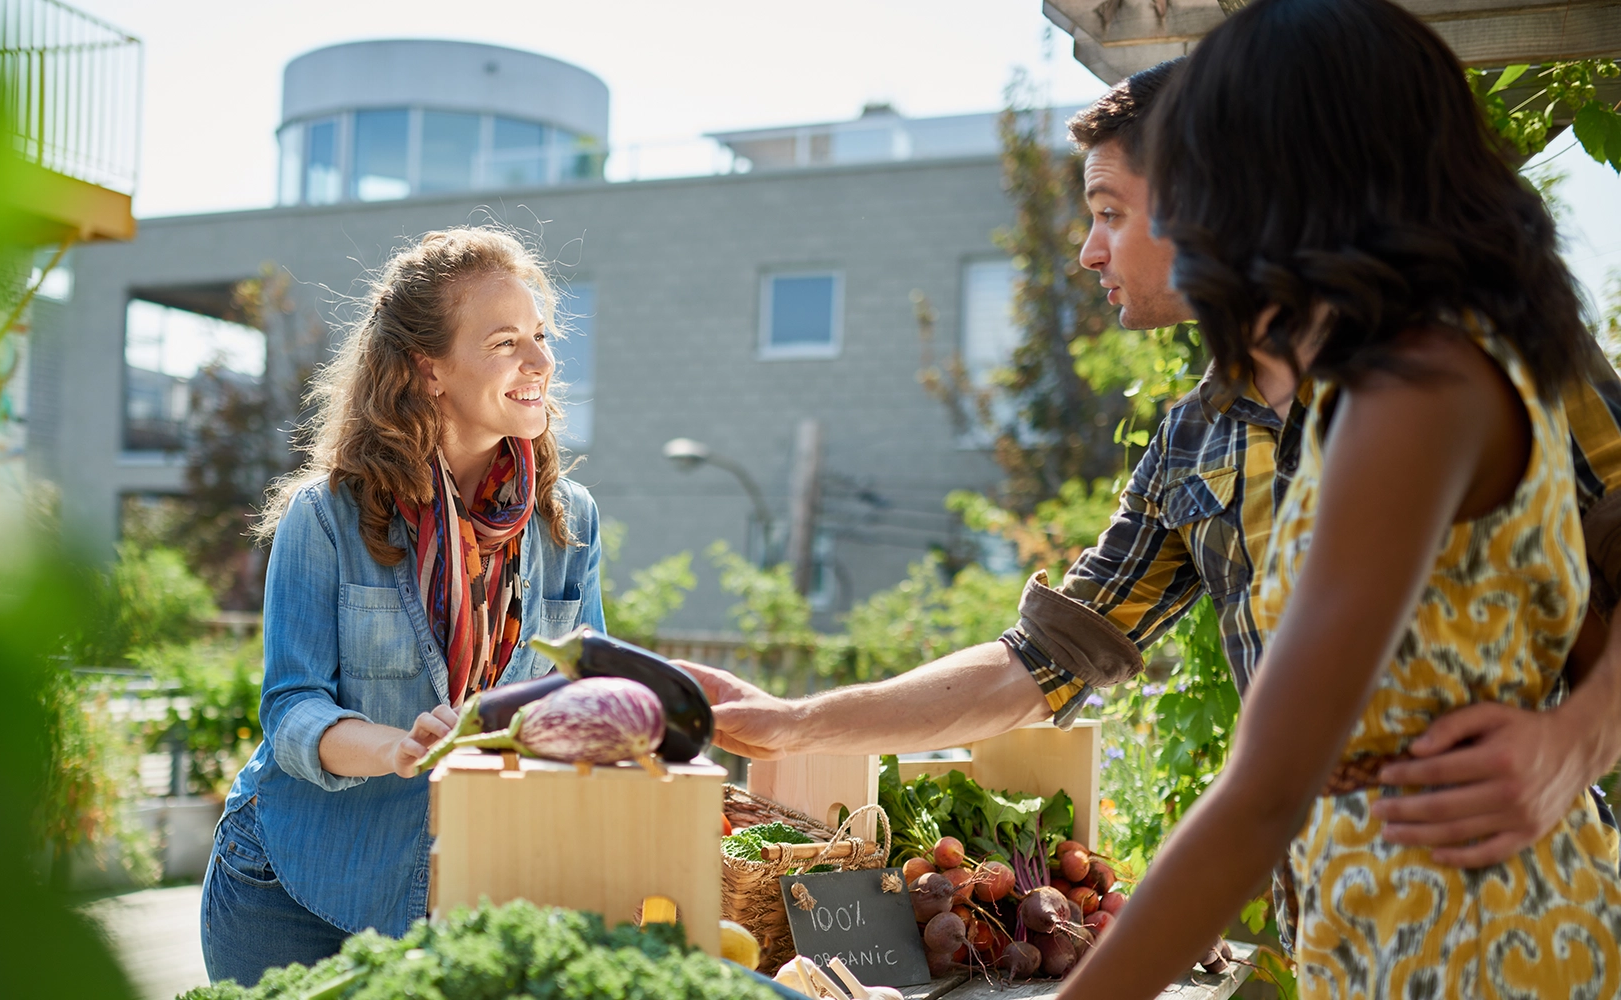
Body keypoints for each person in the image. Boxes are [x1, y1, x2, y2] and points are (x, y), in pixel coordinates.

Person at [685, 52, 1621, 873]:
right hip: (1334, 911)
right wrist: (794, 722)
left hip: (1538, 895)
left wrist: (1575, 744)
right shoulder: (1192, 440)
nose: (1089, 252)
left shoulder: (1488, 364)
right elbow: (1043, 661)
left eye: (1109, 211)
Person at [1056, 1, 1621, 995]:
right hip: (1389, 933)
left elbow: (1263, 793)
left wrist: (1579, 737)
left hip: (1479, 946)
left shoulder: (1414, 385)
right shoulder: (1376, 382)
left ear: (1287, 170)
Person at [199, 228, 604, 985]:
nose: (541, 363)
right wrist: (396, 747)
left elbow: (587, 692)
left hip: (470, 892)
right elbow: (292, 711)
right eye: (506, 342)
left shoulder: (567, 522)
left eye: (542, 337)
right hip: (295, 889)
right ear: (429, 369)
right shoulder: (326, 518)